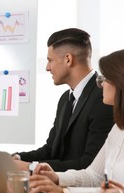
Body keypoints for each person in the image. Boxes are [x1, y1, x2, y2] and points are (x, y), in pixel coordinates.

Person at [29, 46, 124, 193]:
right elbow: (94, 176)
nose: (101, 85)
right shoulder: (120, 128)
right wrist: (56, 177)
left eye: (106, 79)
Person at [13, 28, 114, 172]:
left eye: (50, 60)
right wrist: (18, 157)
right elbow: (51, 149)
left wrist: (31, 167)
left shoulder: (104, 97)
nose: (47, 68)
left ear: (68, 59)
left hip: (80, 191)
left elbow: (90, 164)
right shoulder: (66, 99)